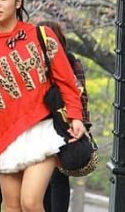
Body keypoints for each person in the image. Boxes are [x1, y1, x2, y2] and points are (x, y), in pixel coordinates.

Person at [0, 0, 85, 212]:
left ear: (18, 2)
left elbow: (66, 81)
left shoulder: (42, 37)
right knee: (12, 206)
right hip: (4, 137)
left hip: (42, 129)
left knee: (30, 202)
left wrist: (76, 116)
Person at [38, 20, 91, 212]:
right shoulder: (35, 64)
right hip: (44, 125)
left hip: (63, 125)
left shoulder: (68, 60)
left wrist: (82, 123)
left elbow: (80, 94)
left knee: (57, 176)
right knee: (45, 177)